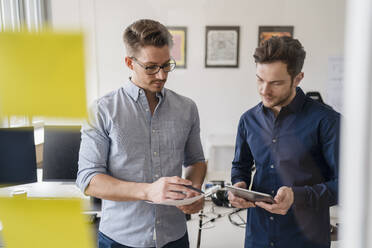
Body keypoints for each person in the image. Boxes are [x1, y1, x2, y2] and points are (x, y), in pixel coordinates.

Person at [76, 19, 207, 248]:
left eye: (167, 65)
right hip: (120, 239)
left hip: (174, 237)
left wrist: (193, 191)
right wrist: (148, 191)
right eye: (151, 67)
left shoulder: (187, 108)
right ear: (129, 62)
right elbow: (88, 179)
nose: (162, 75)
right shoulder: (102, 110)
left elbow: (196, 161)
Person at [228, 36, 340, 248]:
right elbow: (240, 166)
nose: (264, 90)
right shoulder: (248, 120)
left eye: (275, 83)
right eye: (260, 79)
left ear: (298, 78)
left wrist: (297, 196)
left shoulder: (328, 122)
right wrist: (239, 185)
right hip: (258, 237)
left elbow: (345, 186)